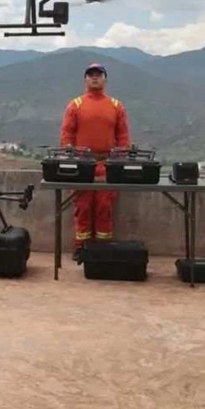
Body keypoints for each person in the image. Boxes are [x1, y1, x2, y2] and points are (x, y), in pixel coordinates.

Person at [59, 63, 131, 263]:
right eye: (90, 75)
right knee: (82, 207)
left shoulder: (116, 105)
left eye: (99, 74)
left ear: (105, 79)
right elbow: (67, 134)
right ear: (85, 80)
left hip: (107, 165)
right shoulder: (76, 105)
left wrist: (120, 161)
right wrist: (69, 158)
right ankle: (81, 248)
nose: (94, 77)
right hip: (82, 166)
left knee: (104, 206)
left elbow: (123, 136)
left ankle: (102, 248)